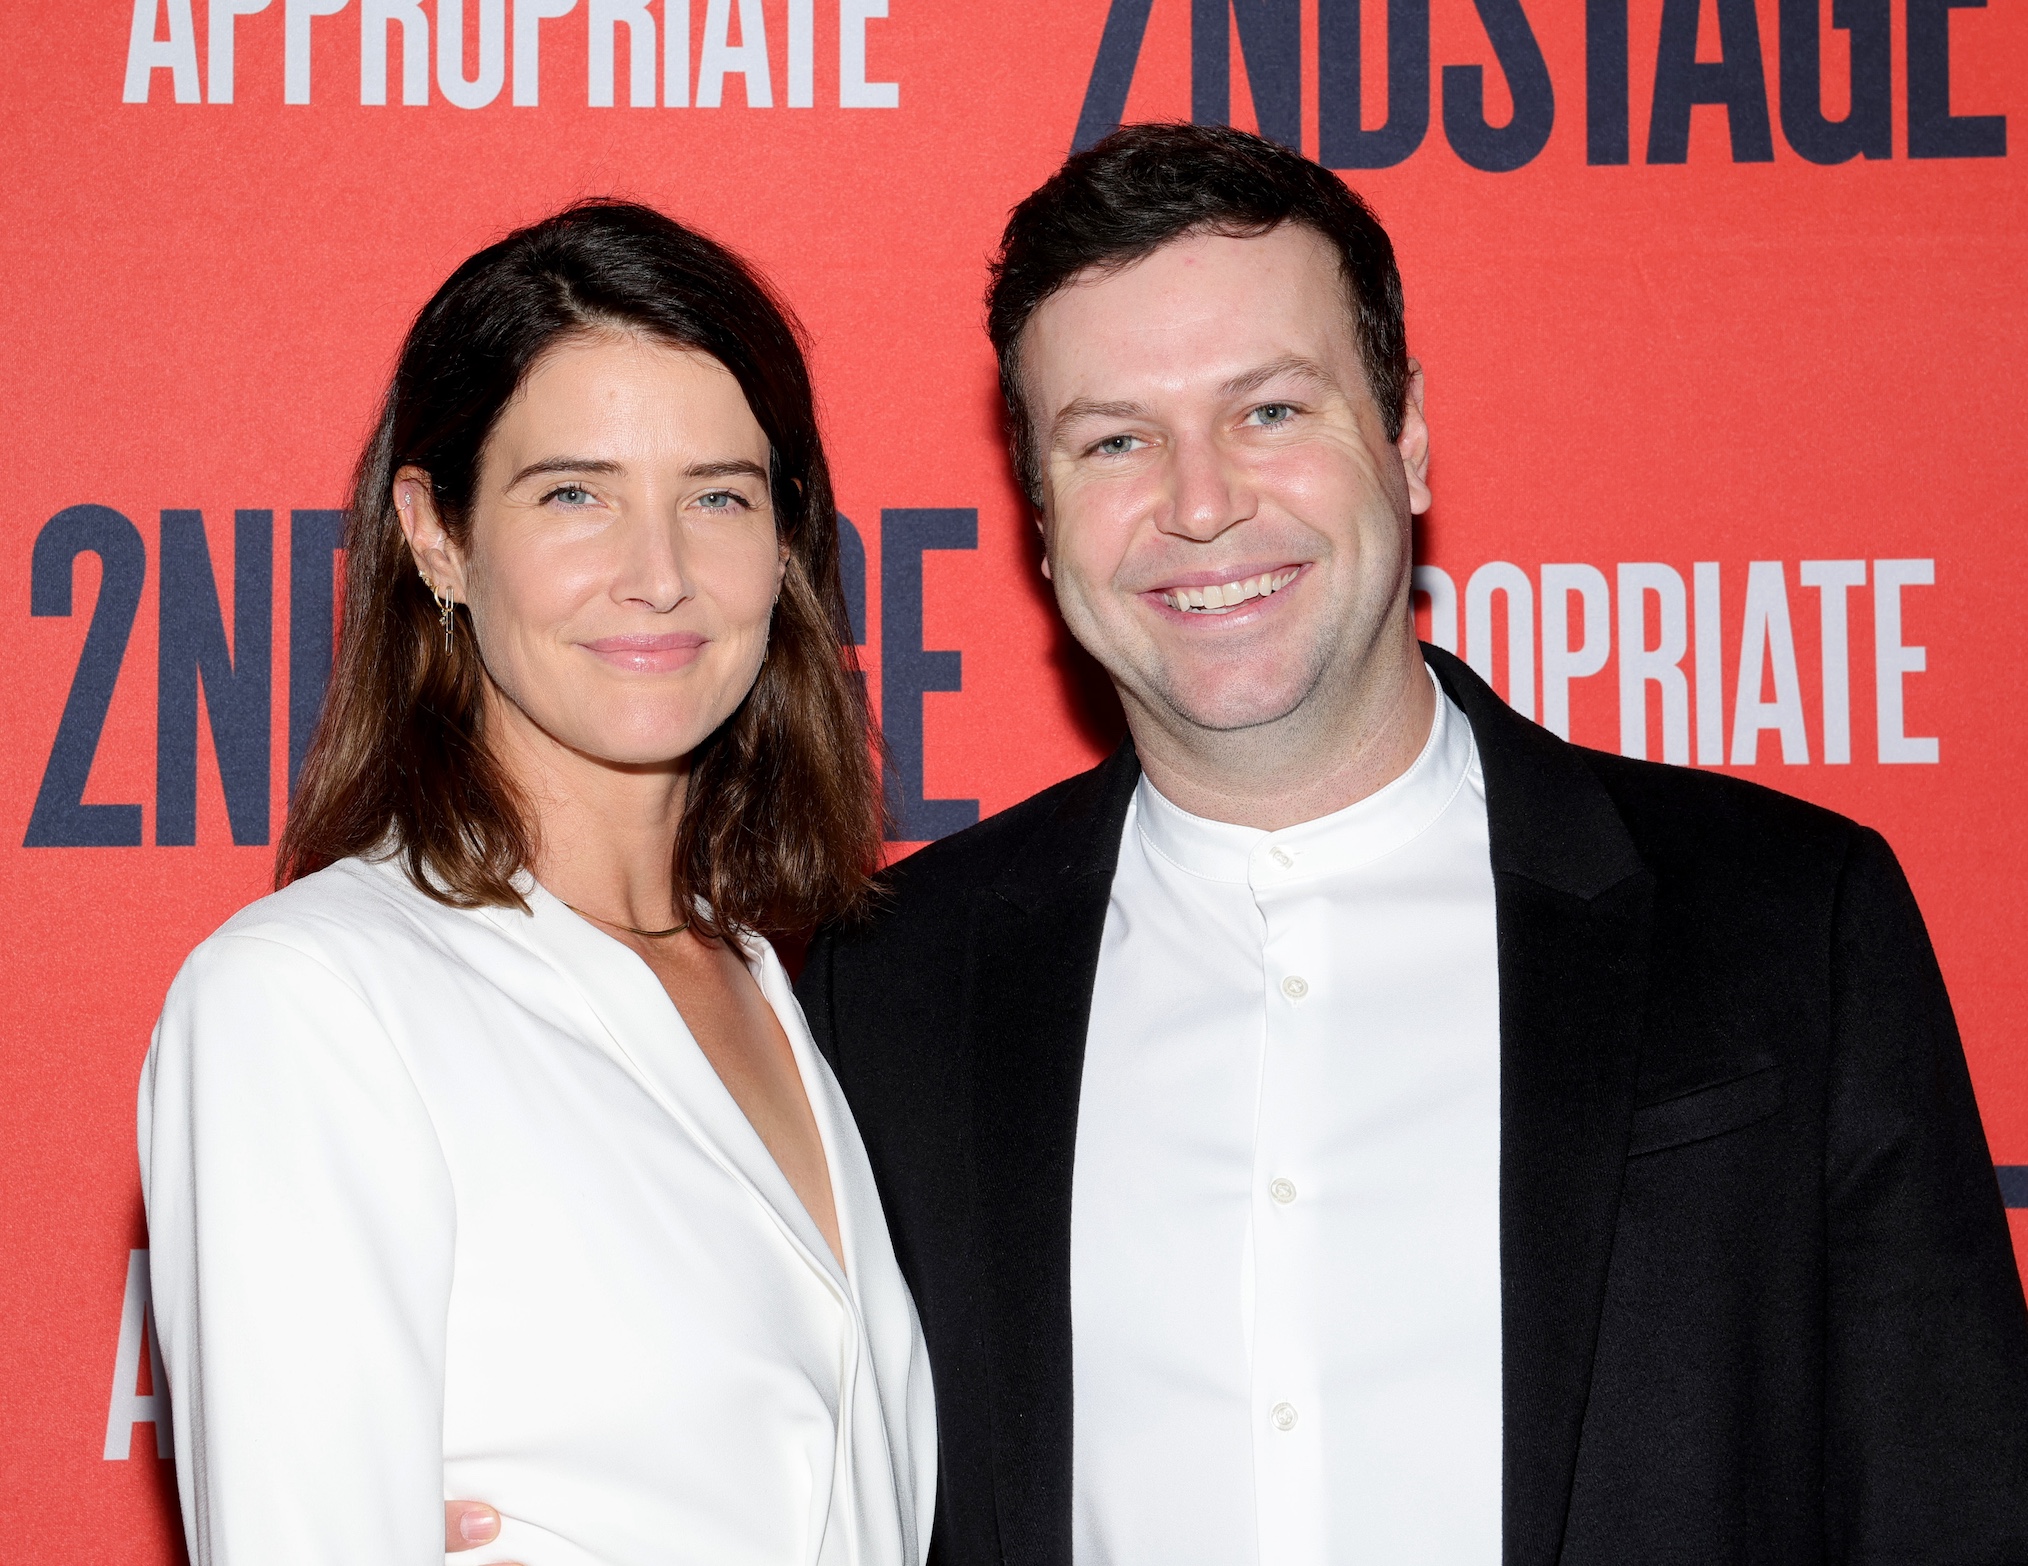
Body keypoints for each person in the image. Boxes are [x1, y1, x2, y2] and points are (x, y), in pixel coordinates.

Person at [440, 129, 2028, 1563]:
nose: (1201, 507)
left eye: (1270, 410)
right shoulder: (885, 986)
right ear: (1041, 514)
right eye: (1114, 441)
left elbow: (1953, 1495)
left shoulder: (1781, 918)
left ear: (1404, 440)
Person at [141, 200, 933, 1566]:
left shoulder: (776, 987)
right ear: (437, 535)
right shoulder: (309, 1003)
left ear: (788, 543)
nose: (661, 572)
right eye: (575, 493)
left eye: (720, 496)